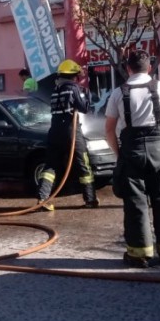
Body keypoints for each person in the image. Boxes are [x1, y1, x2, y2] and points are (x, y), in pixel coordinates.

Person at [104, 50, 160, 268]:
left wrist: (120, 155)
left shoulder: (118, 93)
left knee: (135, 204)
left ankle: (139, 255)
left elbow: (109, 129)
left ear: (128, 69)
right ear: (149, 68)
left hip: (131, 152)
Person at [35, 59, 99, 210]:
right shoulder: (73, 88)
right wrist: (87, 96)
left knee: (51, 166)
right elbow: (84, 108)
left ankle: (43, 198)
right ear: (73, 75)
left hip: (54, 131)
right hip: (71, 131)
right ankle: (90, 199)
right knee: (84, 165)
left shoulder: (55, 90)